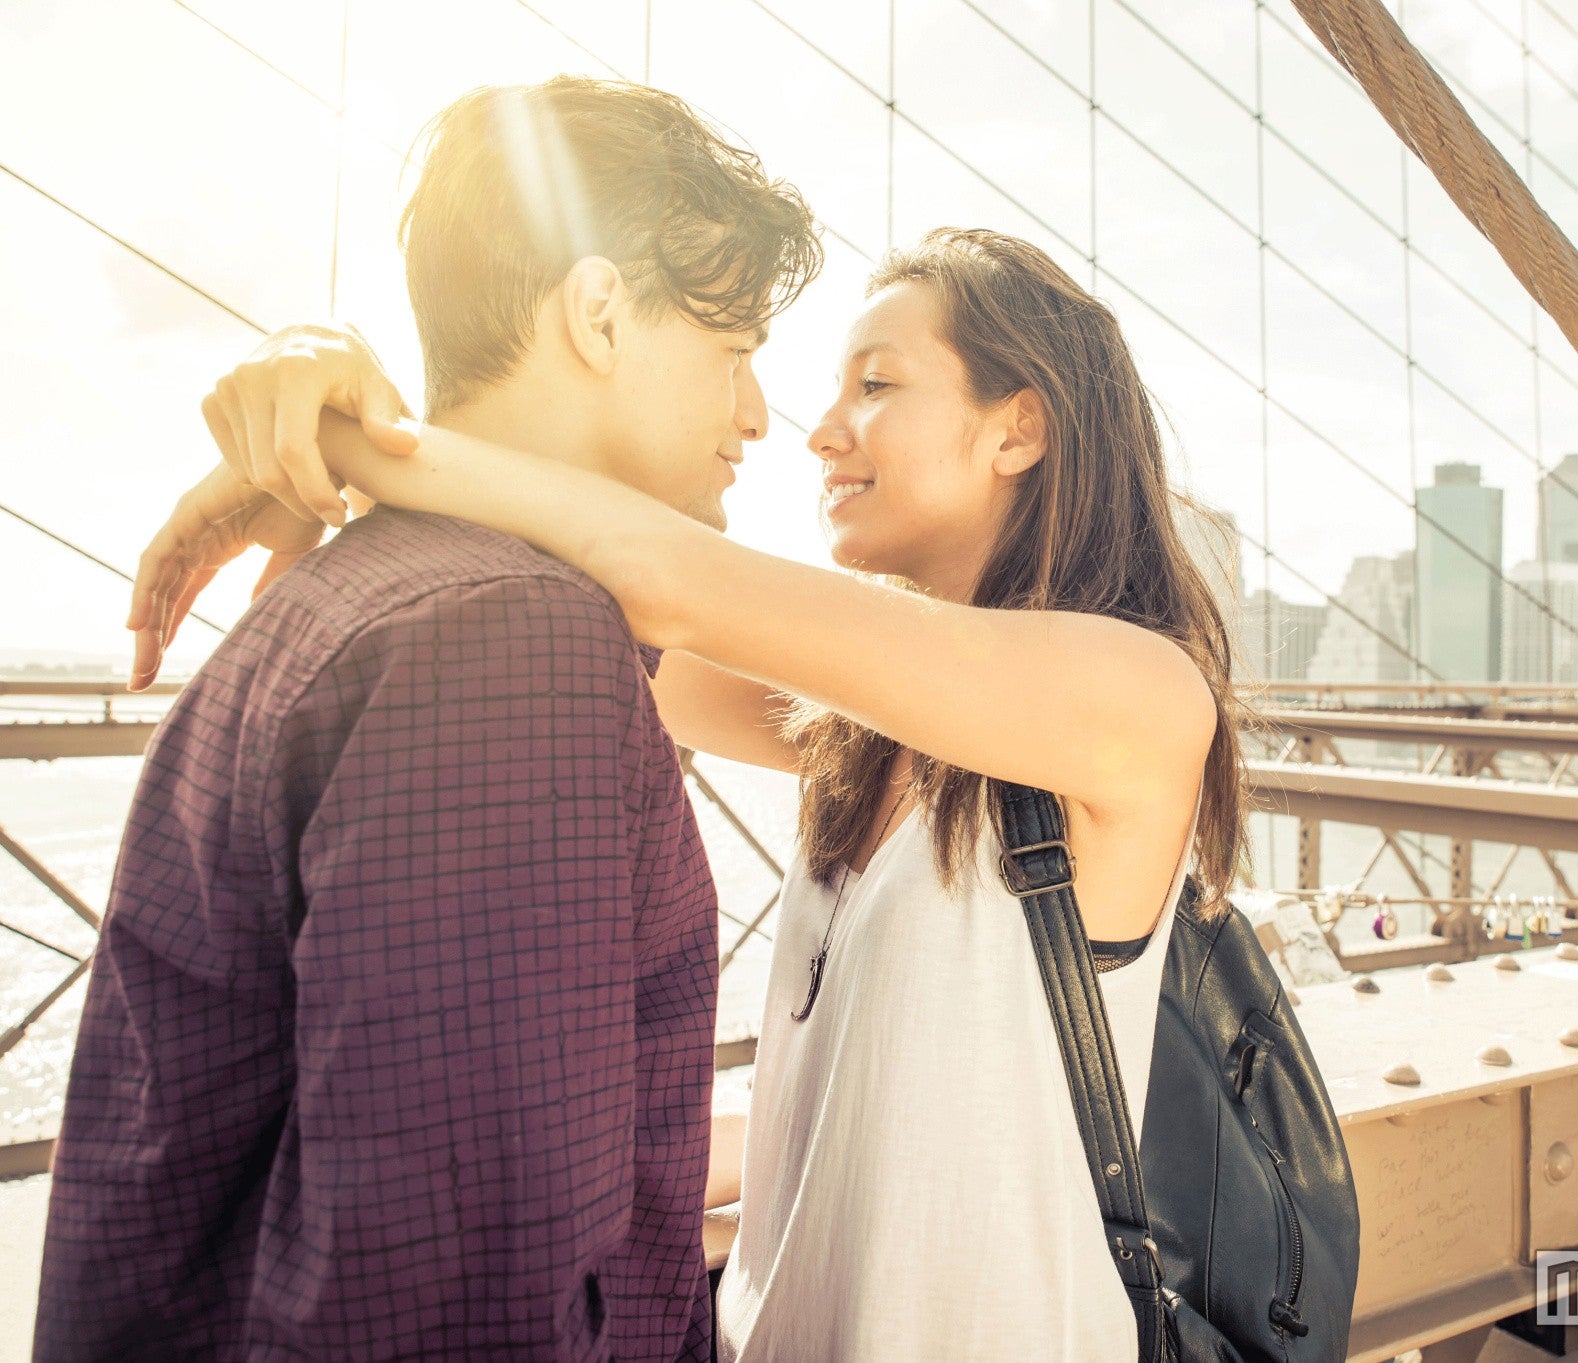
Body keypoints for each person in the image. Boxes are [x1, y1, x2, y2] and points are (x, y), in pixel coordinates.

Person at [134, 227, 1249, 1358]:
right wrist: (316, 382)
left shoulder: (1139, 698)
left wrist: (351, 439)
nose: (816, 433)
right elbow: (583, 596)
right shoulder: (853, 731)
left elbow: (657, 576)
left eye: (875, 385)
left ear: (1019, 427)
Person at [37, 77, 819, 1362]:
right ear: (602, 313)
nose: (754, 418)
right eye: (734, 354)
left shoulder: (377, 595)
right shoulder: (506, 643)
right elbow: (457, 1301)